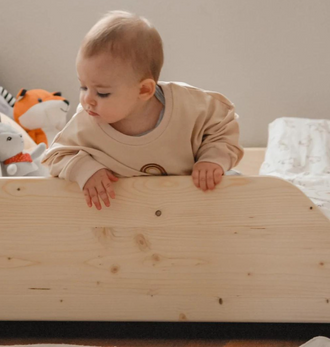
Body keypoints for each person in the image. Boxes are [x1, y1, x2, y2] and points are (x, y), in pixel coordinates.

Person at [41, 11, 244, 210]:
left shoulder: (188, 106)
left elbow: (223, 125)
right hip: (129, 211)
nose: (87, 100)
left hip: (193, 203)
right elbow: (55, 156)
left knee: (241, 194)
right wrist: (84, 169)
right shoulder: (87, 121)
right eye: (83, 87)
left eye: (102, 93)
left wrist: (212, 159)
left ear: (144, 90)